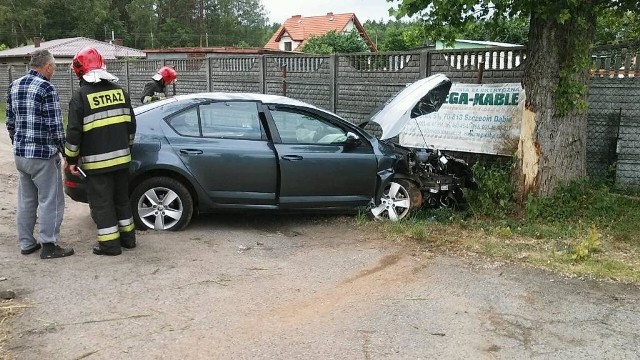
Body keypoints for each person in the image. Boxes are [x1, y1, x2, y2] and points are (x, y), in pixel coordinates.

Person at [65, 47, 137, 256]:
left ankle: (110, 246)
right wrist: (127, 149)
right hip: (123, 160)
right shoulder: (120, 92)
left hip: (97, 165)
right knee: (122, 200)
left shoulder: (80, 96)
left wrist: (71, 159)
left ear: (79, 71)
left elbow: (74, 132)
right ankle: (128, 240)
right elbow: (131, 126)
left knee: (102, 204)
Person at [5, 49, 74, 259]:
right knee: (50, 200)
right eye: (53, 67)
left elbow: (10, 122)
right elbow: (55, 127)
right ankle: (49, 245)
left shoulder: (14, 85)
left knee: (26, 200)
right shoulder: (47, 88)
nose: (53, 71)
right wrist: (67, 154)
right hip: (43, 156)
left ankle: (26, 243)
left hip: (21, 154)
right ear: (48, 67)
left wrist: (18, 143)